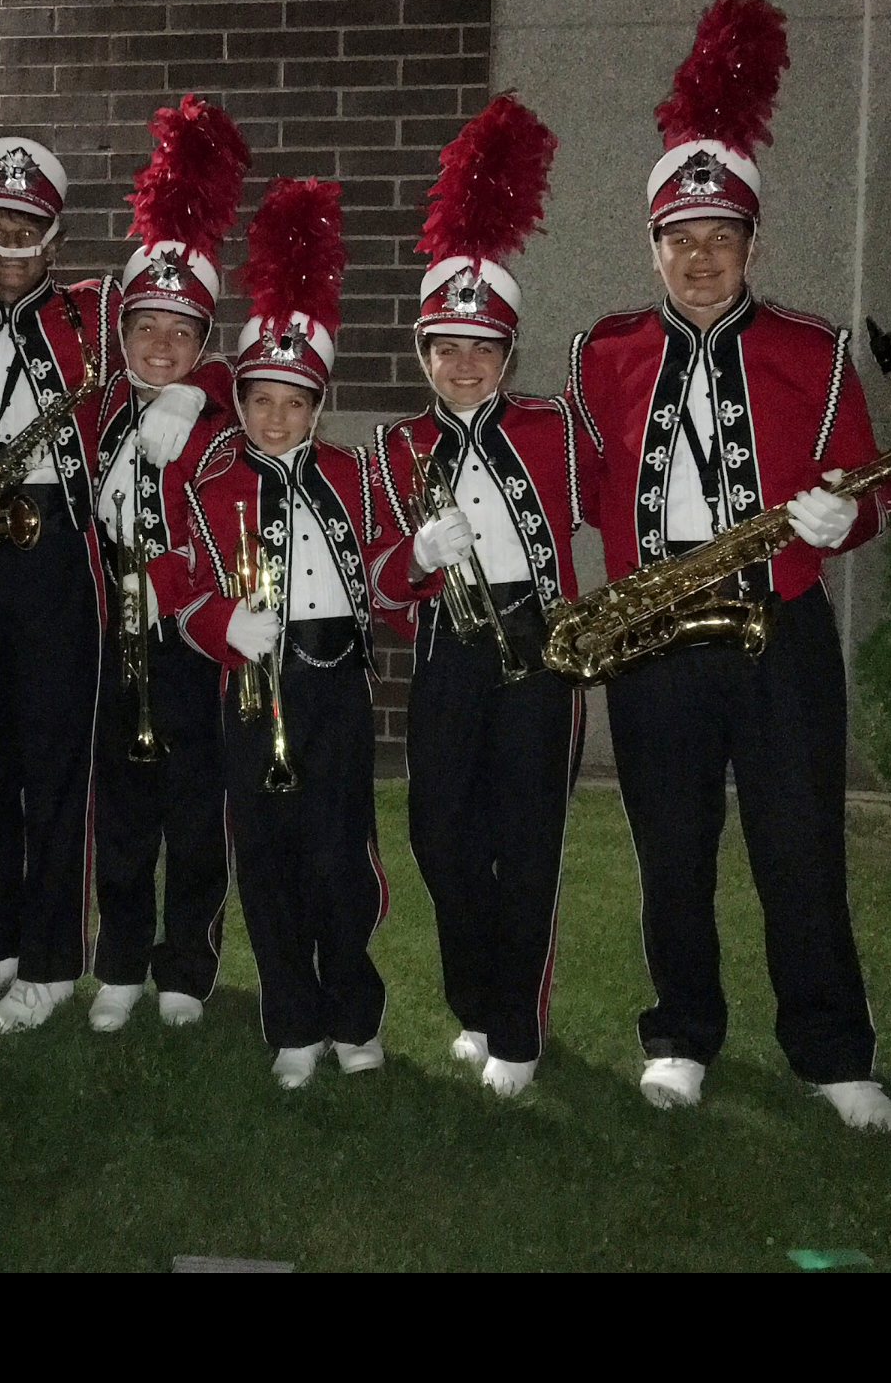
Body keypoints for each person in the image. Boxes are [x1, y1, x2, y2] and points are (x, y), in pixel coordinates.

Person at [569, 0, 891, 1131]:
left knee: (800, 846)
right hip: (655, 629)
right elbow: (578, 480)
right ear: (654, 245)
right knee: (671, 849)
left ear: (752, 244)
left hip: (781, 626)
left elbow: (876, 482)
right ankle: (680, 1032)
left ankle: (833, 1051)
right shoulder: (604, 352)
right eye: (682, 238)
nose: (702, 257)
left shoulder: (816, 348)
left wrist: (845, 520)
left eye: (722, 237)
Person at [373, 97, 587, 1098]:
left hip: (539, 643)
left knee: (526, 841)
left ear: (508, 354)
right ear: (424, 352)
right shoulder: (397, 446)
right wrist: (417, 554)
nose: (465, 366)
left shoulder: (553, 426)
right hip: (447, 651)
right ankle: (476, 1001)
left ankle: (517, 1031)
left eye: (484, 348)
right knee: (438, 832)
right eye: (447, 347)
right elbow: (380, 579)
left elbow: (617, 505)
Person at [181, 177, 414, 1089]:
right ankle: (291, 1021)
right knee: (269, 859)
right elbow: (173, 582)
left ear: (318, 405)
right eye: (261, 399)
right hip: (253, 691)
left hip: (337, 689)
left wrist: (418, 553)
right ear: (239, 400)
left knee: (340, 858)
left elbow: (386, 583)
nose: (276, 418)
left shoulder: (354, 476)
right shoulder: (211, 488)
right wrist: (221, 622)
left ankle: (353, 1012)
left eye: (294, 401)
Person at [0, 138, 120, 1033]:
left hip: (57, 550)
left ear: (55, 238)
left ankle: (50, 962)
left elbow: (181, 325)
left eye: (28, 230)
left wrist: (189, 393)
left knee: (56, 763)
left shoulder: (95, 310)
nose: (11, 247)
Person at [86, 95, 248, 1034]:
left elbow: (264, 382)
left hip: (190, 645)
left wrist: (205, 391)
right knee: (120, 809)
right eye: (147, 328)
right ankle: (118, 958)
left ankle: (187, 961)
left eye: (182, 335)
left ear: (202, 345)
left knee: (195, 810)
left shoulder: (218, 413)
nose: (161, 347)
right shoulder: (95, 409)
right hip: (113, 640)